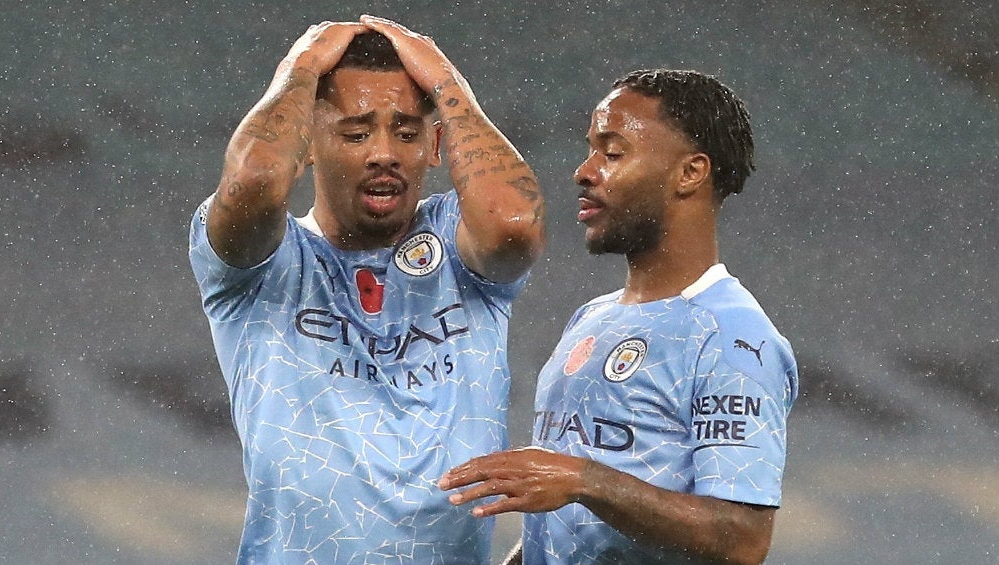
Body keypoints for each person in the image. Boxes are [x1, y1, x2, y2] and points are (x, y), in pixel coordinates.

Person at [188, 15, 544, 565]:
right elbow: (256, 179)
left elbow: (514, 221)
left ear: (436, 144)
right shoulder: (262, 266)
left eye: (407, 133)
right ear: (306, 144)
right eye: (356, 134)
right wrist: (302, 66)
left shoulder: (458, 243)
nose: (384, 153)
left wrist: (446, 82)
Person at [439, 69, 798, 565]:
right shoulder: (593, 318)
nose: (584, 172)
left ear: (690, 173)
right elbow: (568, 524)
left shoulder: (730, 337)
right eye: (591, 150)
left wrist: (583, 479)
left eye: (612, 153)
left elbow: (742, 537)